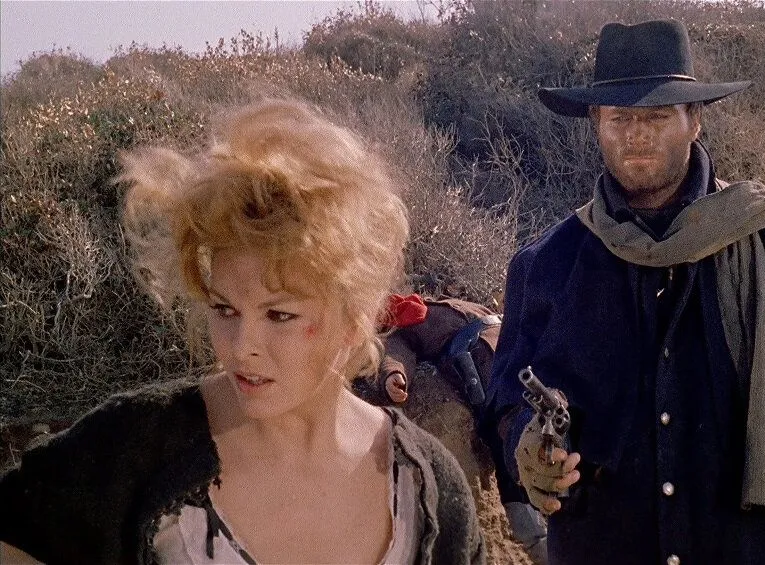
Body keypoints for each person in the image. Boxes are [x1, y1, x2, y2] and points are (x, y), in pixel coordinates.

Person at [0, 99, 485, 564]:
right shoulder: (133, 449)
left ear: (353, 319)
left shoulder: (429, 488)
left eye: (279, 315)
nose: (241, 346)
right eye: (225, 309)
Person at [487, 19, 765, 565]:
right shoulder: (545, 265)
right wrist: (525, 445)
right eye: (620, 117)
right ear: (596, 124)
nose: (636, 134)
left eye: (656, 116)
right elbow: (507, 398)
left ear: (695, 120)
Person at [371, 292, 549, 564]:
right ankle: (538, 538)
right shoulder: (402, 328)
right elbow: (397, 352)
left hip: (515, 356)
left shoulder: (443, 303)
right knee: (513, 436)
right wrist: (394, 375)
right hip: (482, 371)